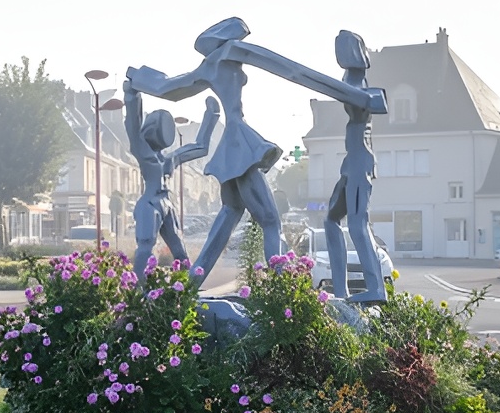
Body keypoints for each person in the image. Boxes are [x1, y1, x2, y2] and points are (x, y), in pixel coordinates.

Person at [128, 17, 386, 289]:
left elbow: (168, 88)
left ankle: (189, 288)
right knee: (271, 221)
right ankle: (283, 289)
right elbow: (290, 70)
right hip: (240, 143)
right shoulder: (232, 50)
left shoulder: (208, 65)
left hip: (231, 147)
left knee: (228, 217)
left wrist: (136, 80)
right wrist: (356, 96)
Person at [124, 83, 219, 266]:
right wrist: (132, 95)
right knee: (145, 247)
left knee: (180, 252)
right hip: (150, 204)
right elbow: (133, 126)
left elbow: (200, 147)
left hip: (167, 204)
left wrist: (211, 116)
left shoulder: (170, 159)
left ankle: (187, 283)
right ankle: (138, 284)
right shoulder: (144, 153)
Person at [323, 31, 387, 303]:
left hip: (360, 162)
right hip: (350, 163)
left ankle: (376, 288)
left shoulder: (360, 84)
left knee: (358, 224)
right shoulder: (350, 81)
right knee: (331, 220)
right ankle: (340, 289)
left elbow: (371, 101)